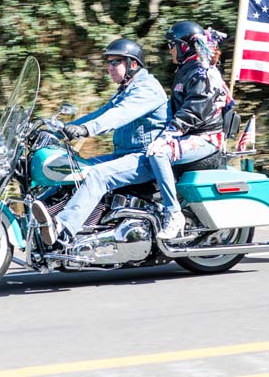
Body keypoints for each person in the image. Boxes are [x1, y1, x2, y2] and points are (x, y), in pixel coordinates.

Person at [32, 38, 168, 247]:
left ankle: (62, 227)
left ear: (132, 64)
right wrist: (58, 131)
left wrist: (86, 130)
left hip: (146, 157)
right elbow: (100, 113)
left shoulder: (147, 89)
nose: (109, 67)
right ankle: (46, 220)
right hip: (125, 154)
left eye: (116, 62)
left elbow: (118, 115)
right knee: (76, 169)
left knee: (98, 175)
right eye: (108, 62)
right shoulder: (126, 88)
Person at [147, 21, 230, 239]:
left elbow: (193, 110)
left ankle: (173, 214)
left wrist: (167, 136)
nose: (170, 49)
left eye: (172, 44)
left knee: (159, 152)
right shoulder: (188, 70)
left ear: (185, 46)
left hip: (206, 138)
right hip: (191, 134)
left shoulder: (202, 73)